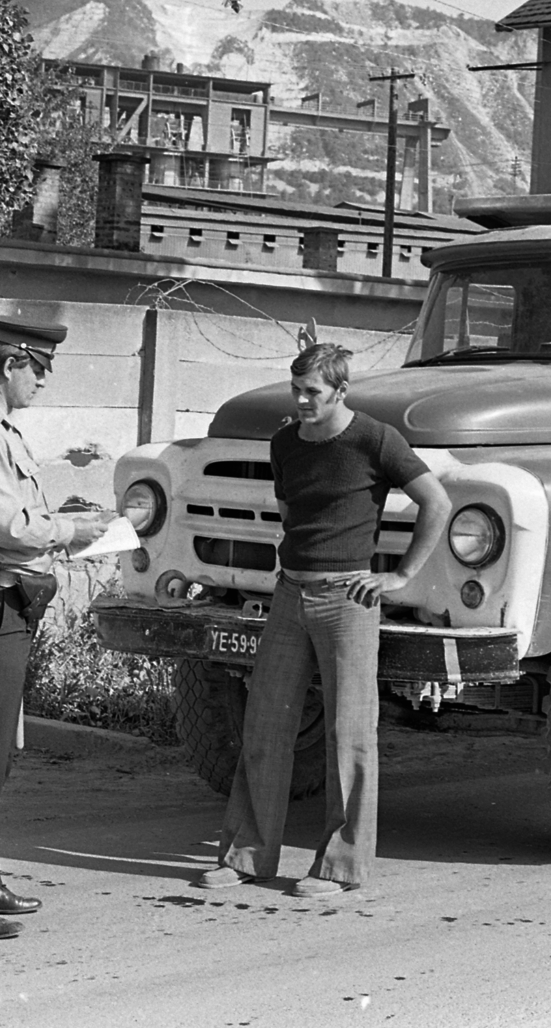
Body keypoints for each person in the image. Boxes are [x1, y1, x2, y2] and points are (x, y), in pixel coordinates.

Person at [195, 342, 451, 898]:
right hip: (290, 596)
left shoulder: (374, 439)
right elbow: (290, 512)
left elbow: (437, 502)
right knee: (264, 726)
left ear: (341, 390)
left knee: (349, 735)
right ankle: (244, 858)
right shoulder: (285, 441)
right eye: (297, 390)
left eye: (314, 392)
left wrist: (400, 576)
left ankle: (340, 866)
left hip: (349, 602)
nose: (303, 400)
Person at [0, 316, 112, 940]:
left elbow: (12, 516)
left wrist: (60, 518)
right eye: (39, 370)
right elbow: (9, 530)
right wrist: (70, 531)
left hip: (4, 603)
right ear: (9, 365)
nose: (42, 383)